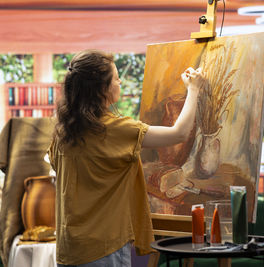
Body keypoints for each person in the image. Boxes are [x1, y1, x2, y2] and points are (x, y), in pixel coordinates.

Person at [48, 49, 206, 266]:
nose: (120, 81)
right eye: (115, 77)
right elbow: (178, 133)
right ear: (102, 89)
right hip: (103, 247)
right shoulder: (115, 129)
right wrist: (194, 90)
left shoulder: (62, 132)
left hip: (69, 247)